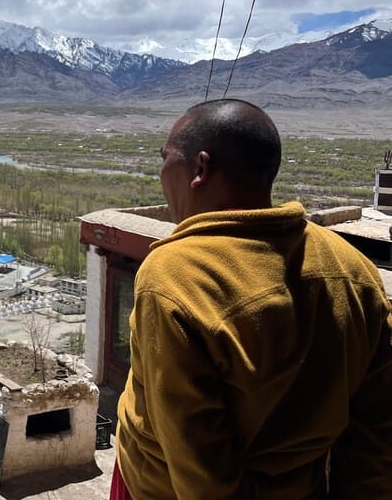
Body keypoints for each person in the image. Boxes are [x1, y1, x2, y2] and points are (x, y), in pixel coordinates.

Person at [112, 99, 392, 499]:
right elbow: (377, 435)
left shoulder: (176, 275)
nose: (161, 172)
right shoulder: (352, 268)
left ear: (200, 169)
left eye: (166, 158)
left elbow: (200, 469)